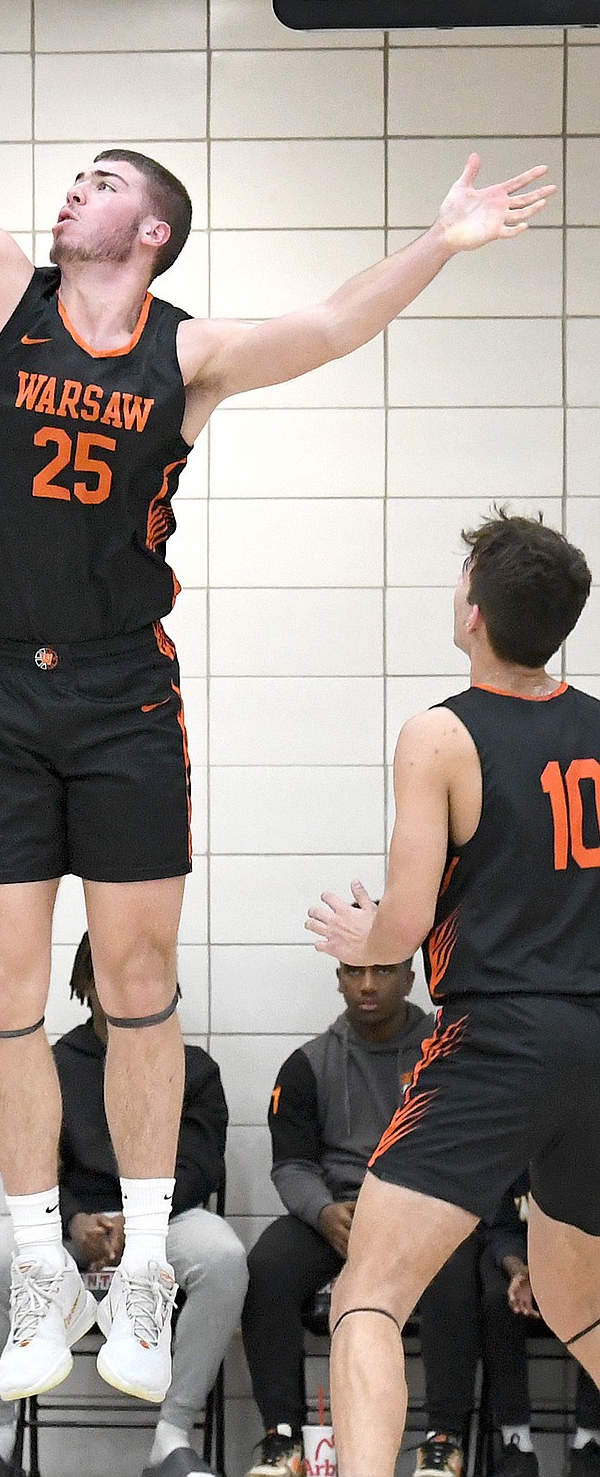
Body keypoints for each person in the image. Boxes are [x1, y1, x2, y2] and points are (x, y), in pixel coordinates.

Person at [0, 0, 556, 1405]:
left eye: (104, 181)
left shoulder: (185, 353)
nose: (74, 189)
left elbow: (328, 326)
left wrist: (440, 243)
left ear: (152, 230)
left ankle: (140, 1263)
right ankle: (37, 1265)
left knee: (139, 986)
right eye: (76, 176)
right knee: (7, 993)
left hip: (129, 696)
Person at [306, 511, 600, 1477]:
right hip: (596, 1041)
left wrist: (366, 935)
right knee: (577, 1302)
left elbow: (406, 916)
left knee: (368, 1298)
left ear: (473, 611)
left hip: (502, 1035)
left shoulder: (440, 734)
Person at [0, 933, 245, 1477]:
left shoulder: (192, 1067)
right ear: (85, 984)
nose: (127, 986)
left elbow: (202, 1163)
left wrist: (141, 1223)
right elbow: (30, 1161)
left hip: (166, 1220)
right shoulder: (53, 1064)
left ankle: (172, 1436)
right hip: (64, 1226)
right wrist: (75, 1220)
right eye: (108, 974)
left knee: (224, 1259)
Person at [241, 959, 480, 1477]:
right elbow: (292, 1164)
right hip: (338, 1215)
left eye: (384, 971)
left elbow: (471, 1151)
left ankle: (444, 1440)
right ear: (338, 979)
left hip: (424, 1213)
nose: (368, 985)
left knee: (458, 1267)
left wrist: (408, 1217)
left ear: (412, 978)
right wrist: (325, 1212)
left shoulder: (451, 1057)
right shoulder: (308, 1063)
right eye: (354, 972)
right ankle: (282, 1437)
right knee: (266, 1267)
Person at [480, 1173, 600, 1477]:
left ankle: (590, 1440)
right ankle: (515, 1442)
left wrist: (564, 1271)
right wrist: (520, 1271)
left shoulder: (585, 1147)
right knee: (496, 1297)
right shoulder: (513, 1145)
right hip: (521, 1263)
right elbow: (500, 1228)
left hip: (583, 1260)